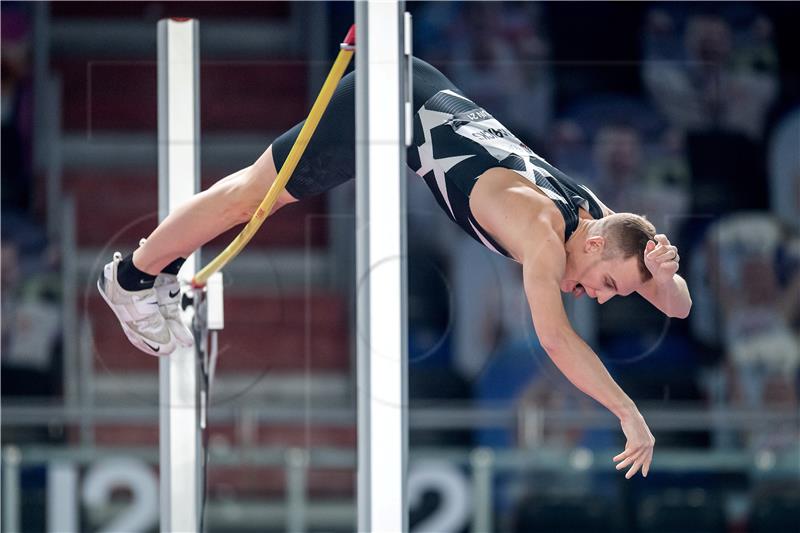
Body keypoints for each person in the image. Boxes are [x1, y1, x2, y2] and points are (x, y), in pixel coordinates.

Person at [98, 57, 692, 479]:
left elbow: (679, 304)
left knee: (256, 194)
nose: (602, 297)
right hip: (389, 103)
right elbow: (556, 342)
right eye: (610, 285)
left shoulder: (595, 218)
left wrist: (661, 279)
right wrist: (628, 413)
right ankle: (131, 278)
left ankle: (152, 274)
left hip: (418, 91)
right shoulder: (537, 228)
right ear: (591, 249)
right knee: (253, 196)